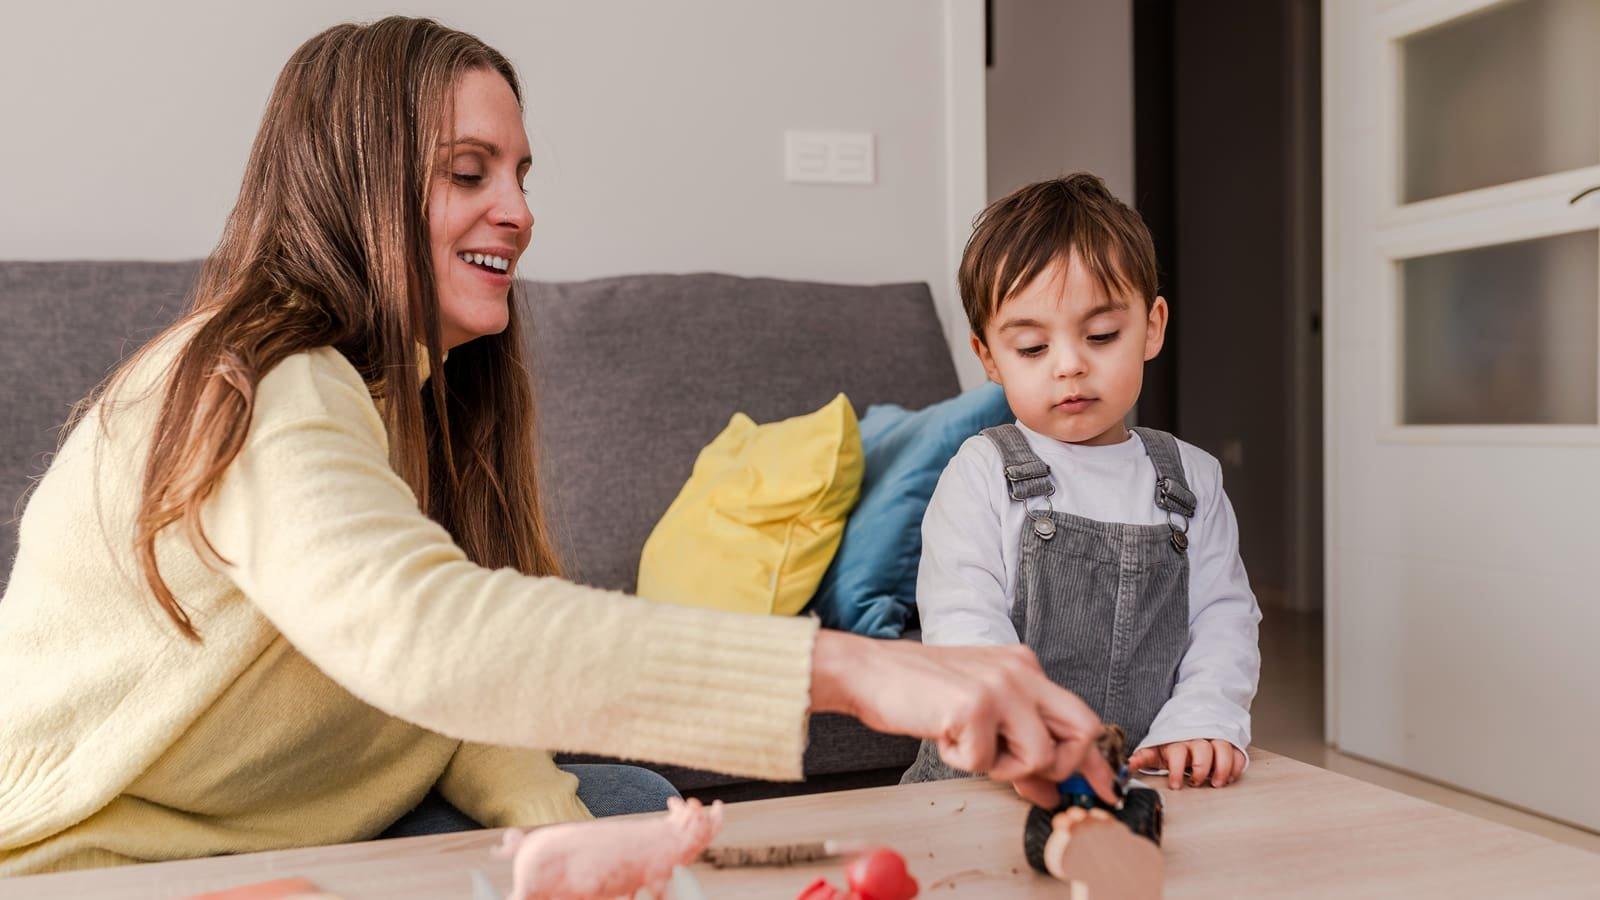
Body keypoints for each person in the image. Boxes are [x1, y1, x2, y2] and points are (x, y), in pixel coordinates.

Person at [0, 19, 1114, 877]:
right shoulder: (261, 383)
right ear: (355, 183)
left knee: (618, 801)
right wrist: (869, 669)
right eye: (467, 171)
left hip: (284, 816)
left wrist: (556, 837)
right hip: (102, 861)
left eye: (522, 175)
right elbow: (432, 642)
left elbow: (443, 709)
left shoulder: (410, 399)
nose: (517, 211)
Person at [903, 174, 1261, 791]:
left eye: (1100, 336)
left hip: (1141, 779)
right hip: (988, 781)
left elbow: (1224, 619)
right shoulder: (981, 473)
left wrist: (1202, 719)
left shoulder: (1191, 479)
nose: (1069, 364)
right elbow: (962, 623)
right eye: (1032, 347)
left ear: (1151, 327)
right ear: (989, 357)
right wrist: (1020, 730)